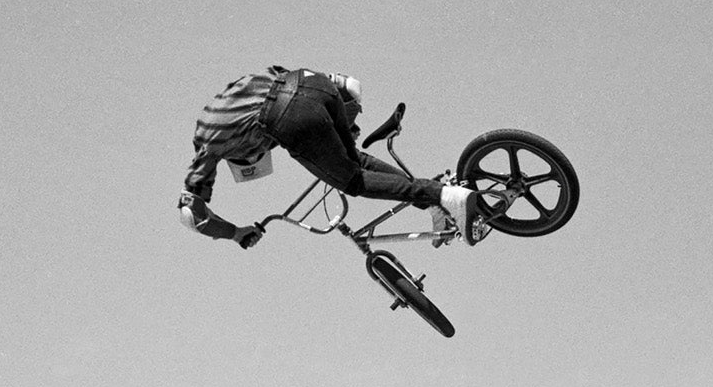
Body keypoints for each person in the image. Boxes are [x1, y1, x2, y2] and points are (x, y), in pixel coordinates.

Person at [181, 66, 485, 249]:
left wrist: (235, 234)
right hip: (312, 83)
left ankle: (444, 195)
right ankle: (435, 203)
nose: (266, 150)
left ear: (243, 157)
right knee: (355, 161)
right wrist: (344, 123)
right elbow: (346, 86)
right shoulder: (238, 93)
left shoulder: (207, 143)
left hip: (286, 113)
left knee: (354, 182)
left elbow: (191, 215)